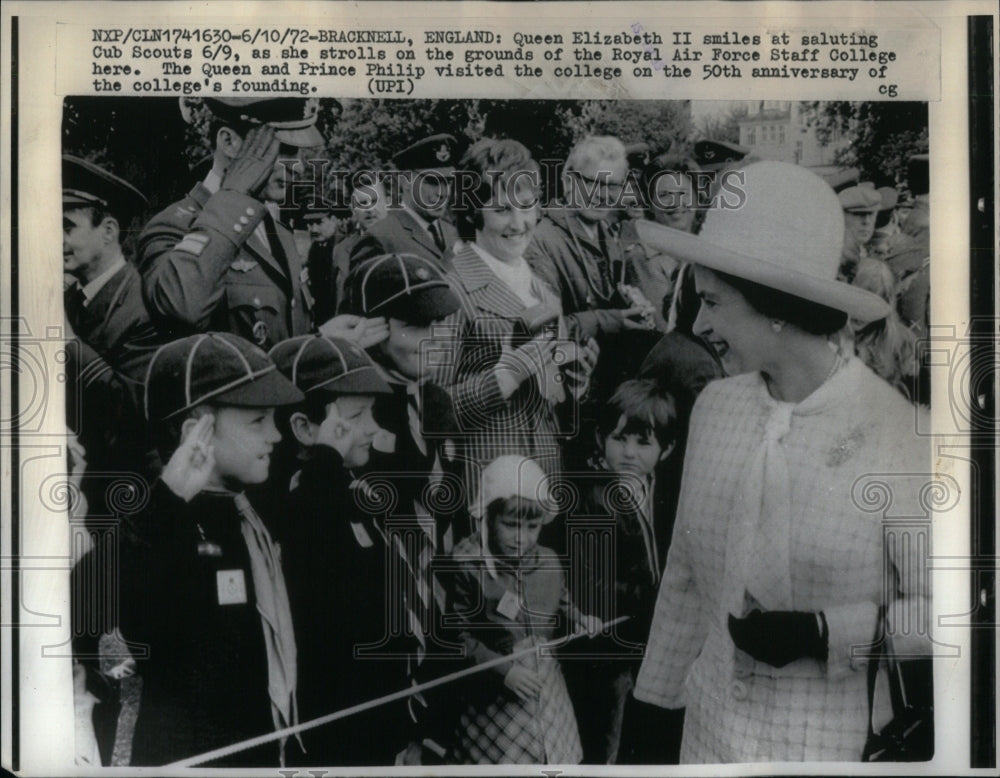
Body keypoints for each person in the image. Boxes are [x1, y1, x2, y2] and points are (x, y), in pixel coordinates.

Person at [633, 161, 931, 762]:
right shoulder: (715, 407)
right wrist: (646, 724)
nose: (698, 324)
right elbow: (685, 583)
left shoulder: (893, 430)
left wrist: (827, 632)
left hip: (828, 748)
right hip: (711, 744)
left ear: (776, 305)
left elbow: (950, 613)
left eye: (712, 301)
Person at [110, 332, 305, 766]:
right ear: (195, 431)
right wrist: (168, 502)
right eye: (257, 421)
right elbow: (134, 619)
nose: (275, 435)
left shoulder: (249, 507)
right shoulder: (160, 523)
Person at [269, 333, 426, 765]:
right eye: (357, 416)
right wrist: (325, 461)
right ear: (303, 428)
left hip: (378, 724)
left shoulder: (344, 489)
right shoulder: (304, 501)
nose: (374, 428)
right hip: (337, 736)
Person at [444, 138, 599, 485]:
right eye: (502, 210)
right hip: (487, 488)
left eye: (527, 206)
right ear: (472, 212)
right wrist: (504, 377)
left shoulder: (542, 284)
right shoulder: (453, 290)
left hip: (544, 479)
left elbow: (553, 407)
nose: (521, 223)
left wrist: (574, 383)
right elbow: (430, 411)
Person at [445, 456, 599, 764]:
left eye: (532, 526)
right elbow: (456, 636)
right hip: (496, 694)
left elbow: (562, 596)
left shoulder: (548, 561)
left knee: (552, 757)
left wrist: (580, 618)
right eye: (511, 525)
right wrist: (505, 671)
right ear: (488, 517)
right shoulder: (467, 565)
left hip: (545, 681)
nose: (522, 538)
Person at [138, 97, 322, 348]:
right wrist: (235, 195)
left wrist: (321, 339)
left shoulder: (280, 234)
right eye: (286, 149)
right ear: (229, 142)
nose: (299, 167)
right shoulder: (173, 226)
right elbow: (180, 307)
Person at [563, 378, 678, 764]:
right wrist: (654, 598)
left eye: (643, 443)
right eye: (618, 439)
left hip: (641, 647)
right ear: (600, 439)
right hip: (605, 653)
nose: (628, 453)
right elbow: (590, 584)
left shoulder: (659, 493)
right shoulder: (592, 499)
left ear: (667, 449)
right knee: (602, 742)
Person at [349, 134, 459, 271]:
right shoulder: (380, 239)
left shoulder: (453, 233)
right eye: (432, 182)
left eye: (448, 182)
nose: (442, 193)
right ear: (406, 181)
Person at [849, 257, 920, 403]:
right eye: (855, 300)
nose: (860, 312)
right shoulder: (830, 336)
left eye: (870, 305)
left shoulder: (902, 343)